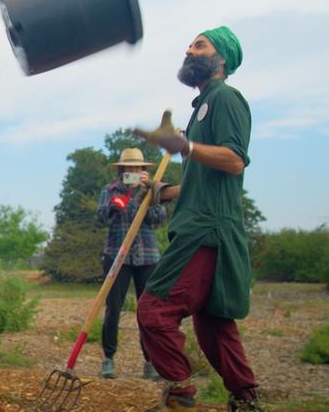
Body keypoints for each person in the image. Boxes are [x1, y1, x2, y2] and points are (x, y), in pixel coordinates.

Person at [133, 26, 263, 411]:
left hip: (206, 231)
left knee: (154, 310)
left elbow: (234, 161)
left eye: (200, 45)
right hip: (202, 224)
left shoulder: (225, 97)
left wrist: (186, 145)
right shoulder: (202, 107)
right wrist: (165, 191)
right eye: (189, 45)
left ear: (221, 59)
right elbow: (202, 181)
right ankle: (245, 398)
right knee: (213, 324)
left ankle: (180, 393)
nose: (189, 50)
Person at [96, 148, 167, 380]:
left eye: (138, 167)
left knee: (148, 311)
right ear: (122, 169)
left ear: (143, 169)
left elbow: (159, 219)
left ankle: (150, 362)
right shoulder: (109, 190)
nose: (134, 170)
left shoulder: (153, 189)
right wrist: (115, 206)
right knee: (113, 308)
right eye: (129, 167)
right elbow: (101, 219)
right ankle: (108, 359)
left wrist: (149, 196)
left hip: (147, 256)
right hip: (116, 255)